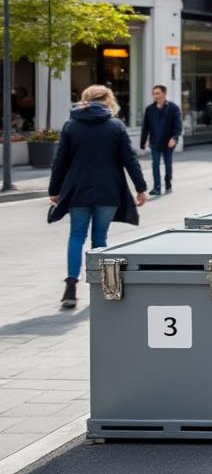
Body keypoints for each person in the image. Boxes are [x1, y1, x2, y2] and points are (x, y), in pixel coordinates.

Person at [47, 85, 148, 309]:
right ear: (108, 100)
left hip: (78, 190)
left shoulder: (71, 126)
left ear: (85, 100)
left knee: (76, 236)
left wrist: (54, 190)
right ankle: (103, 287)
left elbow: (60, 161)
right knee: (100, 239)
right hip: (108, 191)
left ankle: (71, 287)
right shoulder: (116, 126)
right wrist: (140, 188)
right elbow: (129, 159)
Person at [139, 84, 182, 196]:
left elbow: (178, 125)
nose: (155, 96)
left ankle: (168, 183)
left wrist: (175, 137)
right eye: (154, 94)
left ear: (164, 93)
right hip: (154, 142)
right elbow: (145, 127)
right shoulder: (149, 109)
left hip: (168, 142)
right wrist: (143, 141)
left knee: (168, 164)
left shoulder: (173, 108)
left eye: (158, 93)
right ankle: (156, 187)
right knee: (155, 164)